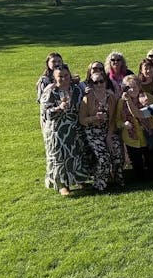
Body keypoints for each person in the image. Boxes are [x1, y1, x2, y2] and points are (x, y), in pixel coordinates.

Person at [40, 65, 92, 195]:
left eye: (66, 76)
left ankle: (79, 179)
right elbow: (45, 114)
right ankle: (62, 184)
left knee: (77, 154)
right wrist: (58, 108)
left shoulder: (76, 90)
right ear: (54, 78)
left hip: (75, 128)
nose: (63, 79)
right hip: (57, 130)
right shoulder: (50, 92)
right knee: (60, 158)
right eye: (60, 77)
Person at [79, 69, 124, 191]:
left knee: (117, 153)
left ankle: (117, 179)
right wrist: (95, 118)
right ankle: (99, 184)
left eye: (101, 81)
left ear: (105, 82)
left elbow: (113, 118)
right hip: (93, 132)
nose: (99, 84)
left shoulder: (111, 97)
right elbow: (82, 120)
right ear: (91, 84)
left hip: (108, 130)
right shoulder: (86, 99)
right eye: (95, 82)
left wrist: (109, 137)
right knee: (103, 159)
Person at [116, 75, 153, 182]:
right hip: (132, 138)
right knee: (136, 162)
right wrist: (124, 124)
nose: (132, 90)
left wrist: (149, 107)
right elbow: (117, 121)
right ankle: (141, 180)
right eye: (128, 87)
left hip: (148, 134)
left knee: (151, 159)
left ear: (139, 86)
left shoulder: (147, 97)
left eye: (134, 87)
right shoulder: (122, 102)